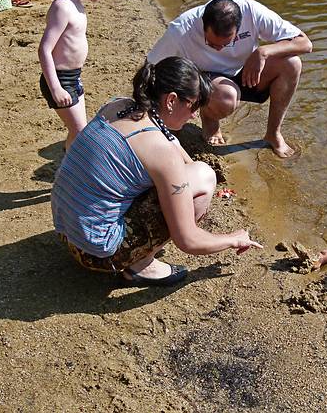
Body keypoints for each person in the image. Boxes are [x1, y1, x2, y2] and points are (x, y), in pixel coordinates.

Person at [51, 56, 262, 286]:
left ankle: (134, 251)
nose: (194, 116)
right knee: (204, 176)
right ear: (171, 100)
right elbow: (188, 241)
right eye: (193, 106)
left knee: (185, 175)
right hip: (97, 255)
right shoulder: (160, 153)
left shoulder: (118, 105)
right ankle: (141, 265)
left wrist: (184, 167)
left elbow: (168, 139)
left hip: (65, 231)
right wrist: (234, 239)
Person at [146, 0, 313, 157]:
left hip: (247, 70)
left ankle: (273, 133)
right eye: (211, 44)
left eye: (226, 44)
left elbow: (305, 43)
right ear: (203, 24)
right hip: (209, 82)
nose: (219, 49)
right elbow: (151, 68)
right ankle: (210, 119)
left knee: (292, 64)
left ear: (239, 27)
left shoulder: (252, 12)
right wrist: (146, 110)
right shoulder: (182, 29)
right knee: (227, 96)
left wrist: (263, 52)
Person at [38, 0, 117, 150]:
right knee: (82, 133)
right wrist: (55, 88)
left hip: (73, 76)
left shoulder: (76, 4)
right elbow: (44, 49)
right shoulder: (63, 7)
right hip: (60, 79)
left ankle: (67, 161)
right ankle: (75, 173)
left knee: (78, 131)